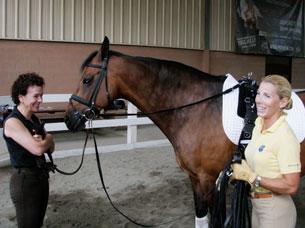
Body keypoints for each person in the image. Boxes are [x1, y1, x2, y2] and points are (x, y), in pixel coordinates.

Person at [231, 74, 301, 228]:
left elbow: (291, 186)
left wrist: (253, 177)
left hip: (276, 211)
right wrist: (241, 168)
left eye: (267, 96)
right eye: (258, 93)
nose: (258, 100)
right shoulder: (258, 125)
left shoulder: (285, 137)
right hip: (256, 206)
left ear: (282, 102)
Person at [3, 72, 55, 228]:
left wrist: (46, 142)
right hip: (25, 182)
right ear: (21, 97)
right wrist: (49, 138)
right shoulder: (13, 121)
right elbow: (39, 149)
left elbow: (50, 149)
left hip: (40, 177)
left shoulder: (34, 119)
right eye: (36, 96)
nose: (40, 100)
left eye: (41, 96)